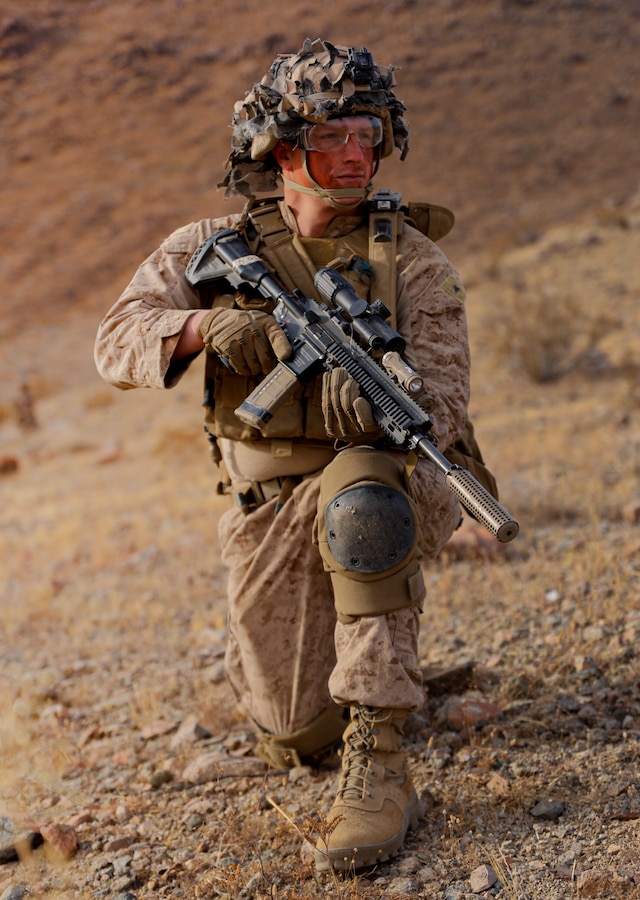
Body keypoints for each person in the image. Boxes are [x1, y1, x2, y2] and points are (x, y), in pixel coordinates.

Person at [94, 38, 471, 873]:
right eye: (331, 135)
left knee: (368, 498)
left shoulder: (414, 260)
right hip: (267, 511)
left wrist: (365, 416)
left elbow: (440, 412)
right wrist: (201, 327)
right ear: (278, 145)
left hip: (387, 484)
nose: (351, 156)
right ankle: (348, 688)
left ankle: (382, 764)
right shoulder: (211, 243)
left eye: (366, 135)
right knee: (294, 733)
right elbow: (113, 343)